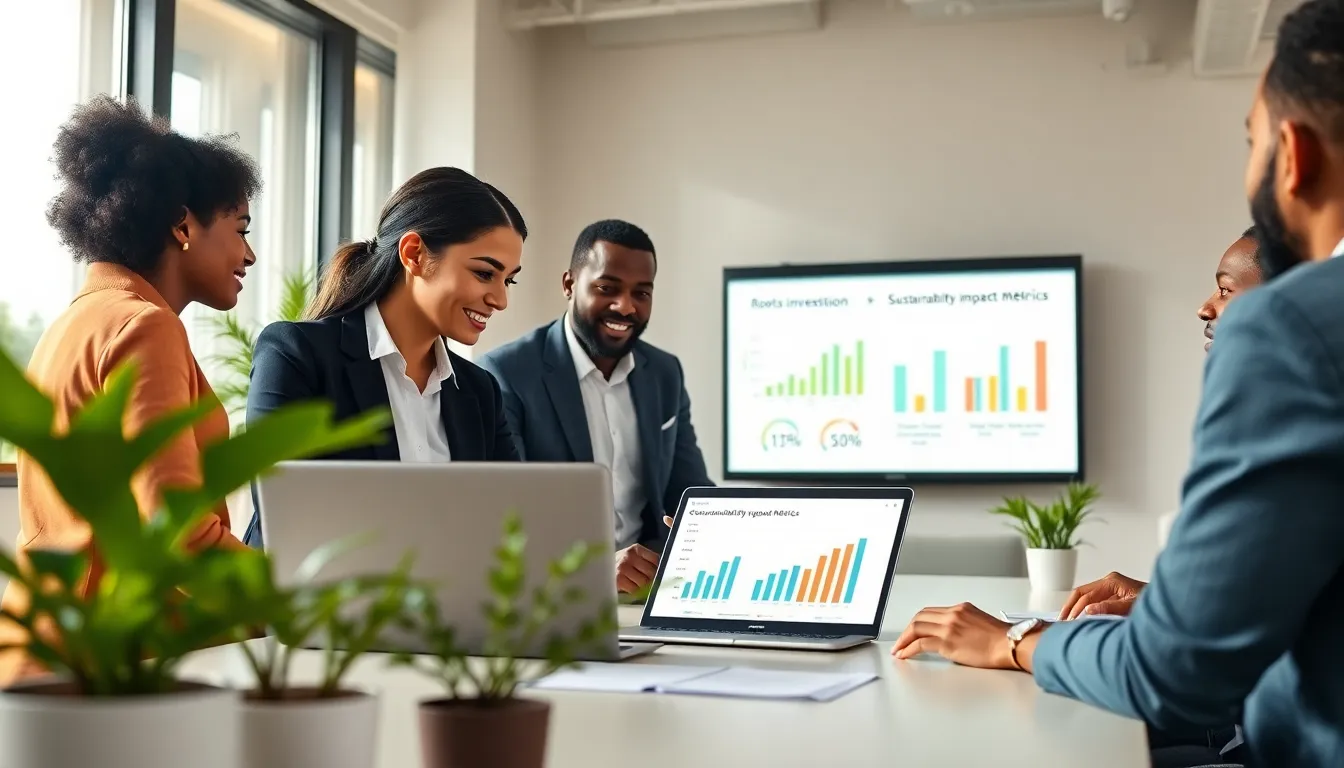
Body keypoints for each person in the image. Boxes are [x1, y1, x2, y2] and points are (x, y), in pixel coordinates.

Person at [891, 2, 1344, 766]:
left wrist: (1014, 639)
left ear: (1292, 154)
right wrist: (1181, 606)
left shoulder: (1292, 328)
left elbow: (1176, 676)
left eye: (1251, 142)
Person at [0, 95, 259, 685]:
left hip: (41, 651)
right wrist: (300, 591)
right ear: (182, 223)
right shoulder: (146, 325)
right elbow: (176, 535)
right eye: (240, 229)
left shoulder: (76, 322)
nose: (248, 254)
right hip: (99, 665)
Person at [243, 168, 526, 547]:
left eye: (508, 280)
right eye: (483, 273)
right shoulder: (297, 355)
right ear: (414, 254)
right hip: (310, 604)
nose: (500, 299)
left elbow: (512, 525)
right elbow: (288, 513)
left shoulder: (479, 391)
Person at [478, 219, 713, 594]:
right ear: (570, 285)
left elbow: (692, 494)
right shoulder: (504, 374)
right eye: (608, 288)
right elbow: (507, 519)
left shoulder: (665, 373)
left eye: (642, 293)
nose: (626, 307)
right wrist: (598, 570)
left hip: (651, 588)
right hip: (556, 593)